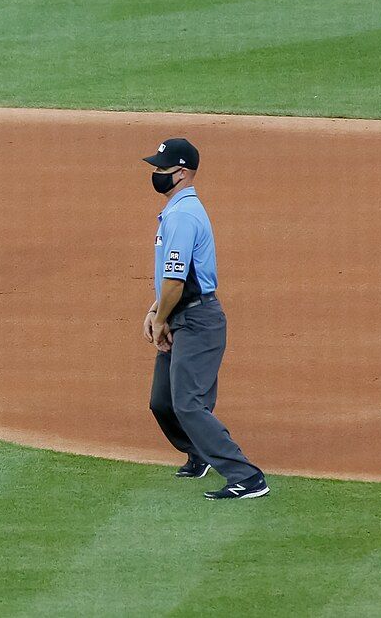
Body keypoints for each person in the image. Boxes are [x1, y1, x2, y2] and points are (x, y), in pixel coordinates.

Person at [141, 138, 269, 500]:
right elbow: (172, 280)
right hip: (182, 314)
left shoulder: (182, 216)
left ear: (181, 174)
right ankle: (198, 453)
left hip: (197, 321)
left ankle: (247, 477)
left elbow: (177, 282)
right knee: (162, 402)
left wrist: (160, 318)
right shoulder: (178, 211)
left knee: (188, 403)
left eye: (162, 169)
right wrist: (156, 311)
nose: (156, 174)